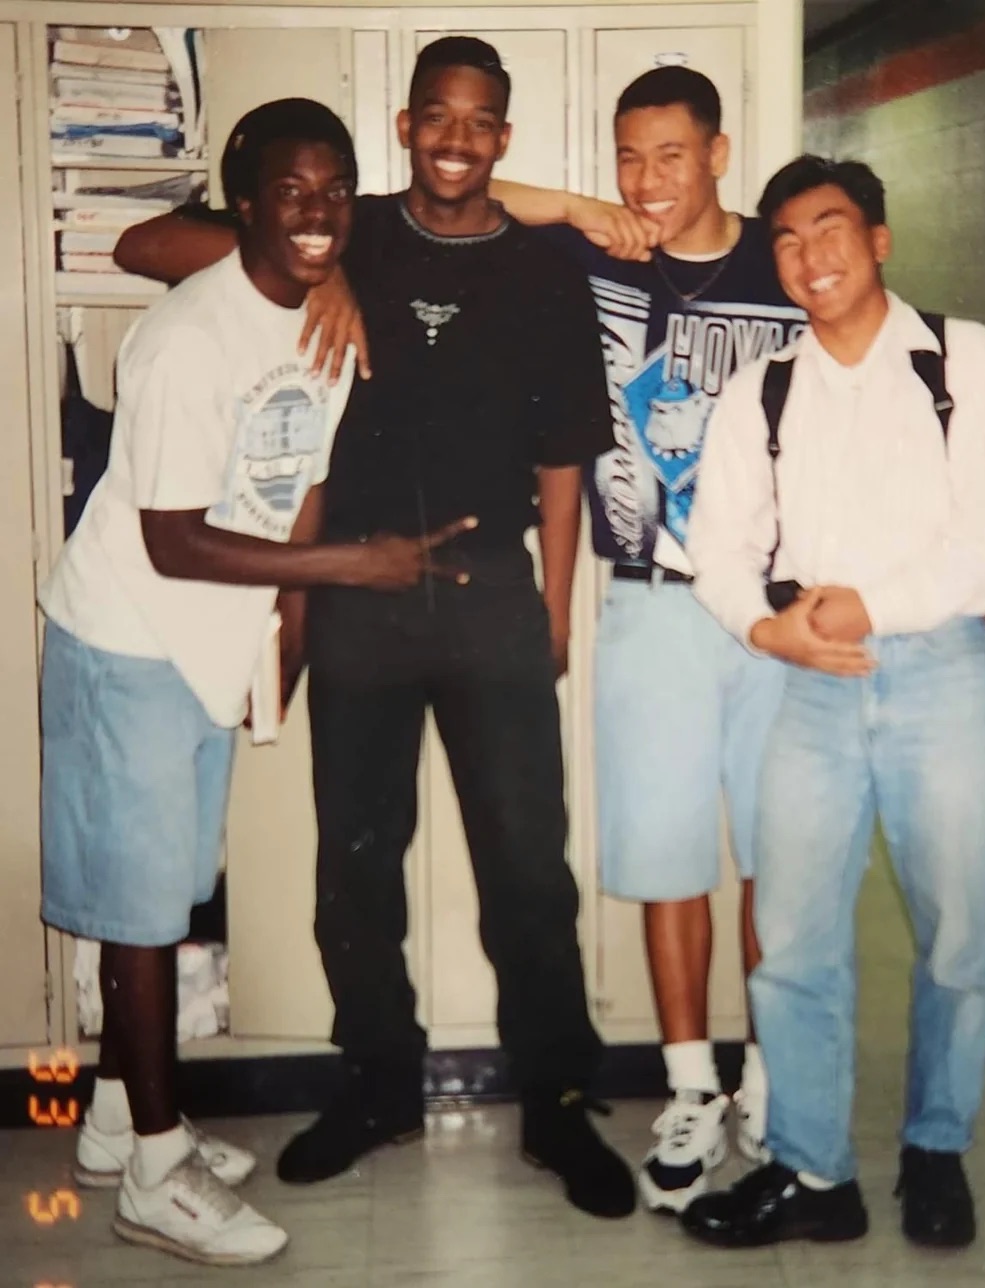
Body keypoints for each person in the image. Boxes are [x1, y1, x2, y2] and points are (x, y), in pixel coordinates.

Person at [114, 39, 636, 1221]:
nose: (456, 140)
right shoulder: (343, 228)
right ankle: (378, 1084)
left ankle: (556, 1102)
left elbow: (563, 462)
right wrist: (330, 274)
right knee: (356, 870)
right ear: (405, 125)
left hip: (493, 595)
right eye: (436, 119)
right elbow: (148, 245)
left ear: (502, 136)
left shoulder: (546, 267)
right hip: (358, 598)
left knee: (527, 872)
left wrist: (555, 613)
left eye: (480, 122)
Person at [39, 97, 477, 1269]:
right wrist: (347, 572)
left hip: (208, 640)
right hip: (130, 635)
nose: (319, 211)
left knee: (169, 893)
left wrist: (280, 633)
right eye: (291, 190)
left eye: (334, 187)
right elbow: (173, 538)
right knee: (139, 910)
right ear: (240, 202)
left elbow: (304, 481)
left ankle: (117, 1121)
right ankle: (157, 1171)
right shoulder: (188, 340)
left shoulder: (324, 318)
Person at [681, 154, 985, 1250]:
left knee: (955, 933)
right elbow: (717, 550)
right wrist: (768, 627)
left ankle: (935, 1147)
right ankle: (815, 1171)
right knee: (792, 939)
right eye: (785, 239)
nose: (808, 256)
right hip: (808, 686)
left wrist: (862, 608)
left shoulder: (963, 361)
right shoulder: (761, 387)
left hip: (939, 675)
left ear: (878, 239)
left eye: (830, 229)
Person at [491, 66, 805, 1213]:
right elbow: (469, 192)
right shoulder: (599, 253)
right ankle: (690, 1087)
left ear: (720, 152)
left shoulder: (787, 254)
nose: (648, 179)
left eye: (671, 155)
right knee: (671, 856)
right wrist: (584, 203)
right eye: (630, 156)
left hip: (775, 611)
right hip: (651, 598)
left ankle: (774, 1082)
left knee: (781, 858)